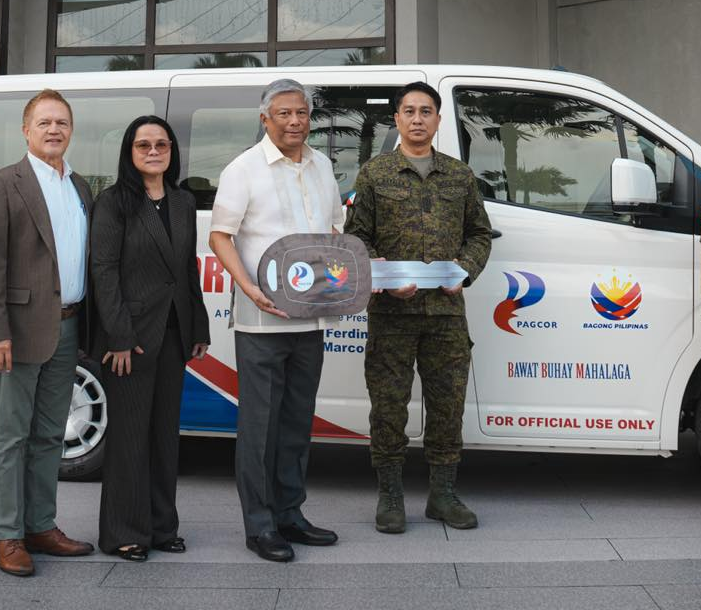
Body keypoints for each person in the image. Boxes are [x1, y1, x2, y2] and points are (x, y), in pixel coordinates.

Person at [344, 81, 493, 535]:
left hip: (446, 315)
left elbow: (479, 234)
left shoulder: (460, 176)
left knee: (447, 405)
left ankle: (442, 495)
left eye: (426, 111)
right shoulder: (375, 174)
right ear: (397, 118)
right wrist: (383, 275)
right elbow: (356, 238)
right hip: (391, 315)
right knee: (388, 407)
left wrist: (464, 272)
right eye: (408, 111)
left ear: (438, 120)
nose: (417, 119)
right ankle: (390, 496)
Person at [209, 79, 343, 563]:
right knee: (260, 425)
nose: (294, 122)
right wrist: (248, 288)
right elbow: (220, 235)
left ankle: (290, 513)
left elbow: (334, 230)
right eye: (284, 113)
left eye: (301, 113)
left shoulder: (322, 165)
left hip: (312, 318)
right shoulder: (243, 168)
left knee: (296, 422)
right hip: (262, 321)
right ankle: (260, 524)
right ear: (265, 119)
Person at [0, 89, 95, 577]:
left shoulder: (80, 185)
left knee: (49, 435)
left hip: (68, 326)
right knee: (12, 437)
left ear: (71, 130)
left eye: (61, 122)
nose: (53, 130)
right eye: (44, 122)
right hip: (18, 332)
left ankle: (41, 525)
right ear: (26, 130)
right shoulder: (3, 184)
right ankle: (8, 534)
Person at [89, 116, 210, 562]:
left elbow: (187, 269)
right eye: (144, 145)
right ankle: (124, 531)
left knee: (164, 436)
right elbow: (103, 271)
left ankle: (161, 527)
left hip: (174, 334)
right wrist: (119, 336)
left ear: (172, 150)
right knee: (129, 439)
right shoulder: (113, 202)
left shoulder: (182, 201)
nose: (154, 151)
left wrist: (198, 325)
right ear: (130, 152)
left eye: (162, 144)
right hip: (130, 338)